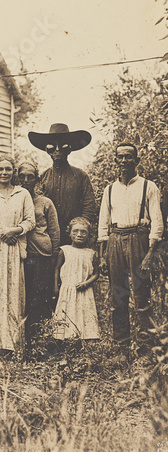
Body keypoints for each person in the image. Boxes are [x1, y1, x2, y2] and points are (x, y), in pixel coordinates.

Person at [98, 143, 164, 353]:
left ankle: (145, 347)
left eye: (129, 157)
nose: (124, 161)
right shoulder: (109, 190)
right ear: (115, 160)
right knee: (118, 297)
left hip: (139, 240)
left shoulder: (148, 186)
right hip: (116, 239)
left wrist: (150, 254)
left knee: (141, 296)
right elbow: (102, 224)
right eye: (120, 157)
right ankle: (121, 347)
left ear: (136, 160)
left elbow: (158, 222)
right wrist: (102, 255)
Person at [0, 155, 35, 355]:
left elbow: (30, 221)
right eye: (0, 169)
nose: (4, 173)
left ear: (13, 173)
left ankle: (11, 346)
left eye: (8, 169)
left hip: (14, 249)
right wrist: (1, 232)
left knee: (13, 294)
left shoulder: (22, 194)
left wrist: (15, 231)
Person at [28, 123, 96, 245]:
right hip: (49, 236)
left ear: (69, 149)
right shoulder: (43, 177)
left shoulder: (81, 176)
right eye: (52, 147)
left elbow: (89, 207)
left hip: (75, 237)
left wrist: (78, 230)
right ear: (47, 150)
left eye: (63, 147)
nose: (58, 151)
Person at [18, 161, 60, 346]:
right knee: (23, 299)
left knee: (40, 299)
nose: (26, 180)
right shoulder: (15, 198)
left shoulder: (45, 203)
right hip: (20, 255)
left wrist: (54, 258)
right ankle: (22, 342)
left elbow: (54, 231)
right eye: (22, 176)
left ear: (37, 179)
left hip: (41, 255)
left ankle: (39, 343)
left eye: (30, 176)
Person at [53, 217, 99, 341]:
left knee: (83, 314)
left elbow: (96, 274)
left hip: (84, 290)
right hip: (67, 290)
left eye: (83, 232)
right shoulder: (64, 251)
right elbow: (57, 269)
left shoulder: (91, 253)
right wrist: (56, 287)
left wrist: (86, 283)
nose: (79, 235)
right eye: (75, 231)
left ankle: (85, 339)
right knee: (66, 313)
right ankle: (65, 341)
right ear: (70, 233)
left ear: (89, 234)